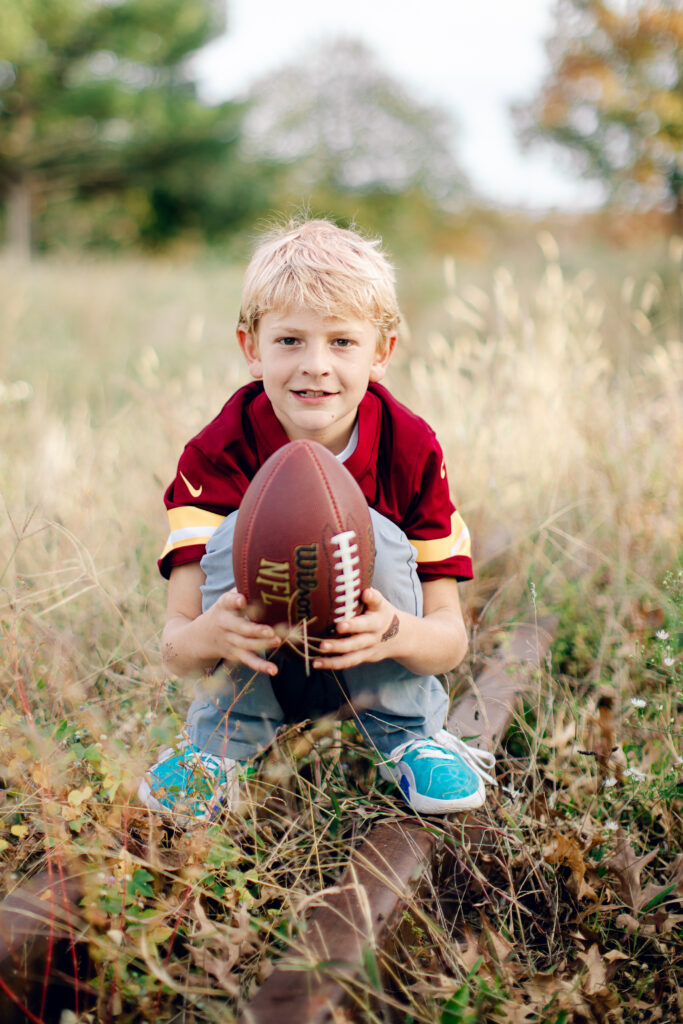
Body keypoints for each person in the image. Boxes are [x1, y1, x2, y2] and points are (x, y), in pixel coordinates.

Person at [138, 219, 495, 821]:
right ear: (251, 347)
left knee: (371, 528)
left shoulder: (410, 448)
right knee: (243, 529)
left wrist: (395, 633)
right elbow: (176, 649)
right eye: (290, 341)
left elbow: (449, 641)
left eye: (342, 342)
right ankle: (219, 743)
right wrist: (210, 635)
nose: (316, 366)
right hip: (259, 668)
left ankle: (408, 733)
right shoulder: (216, 453)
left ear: (381, 352)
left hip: (373, 668)